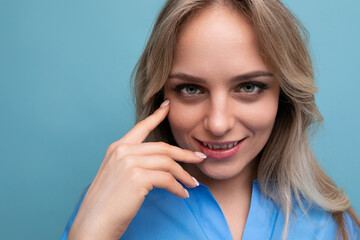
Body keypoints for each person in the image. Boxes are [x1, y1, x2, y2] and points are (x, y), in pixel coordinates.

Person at [61, 0, 360, 239]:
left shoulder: (332, 226)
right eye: (190, 89)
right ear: (158, 95)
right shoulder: (107, 207)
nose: (218, 124)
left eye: (248, 87)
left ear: (284, 96)